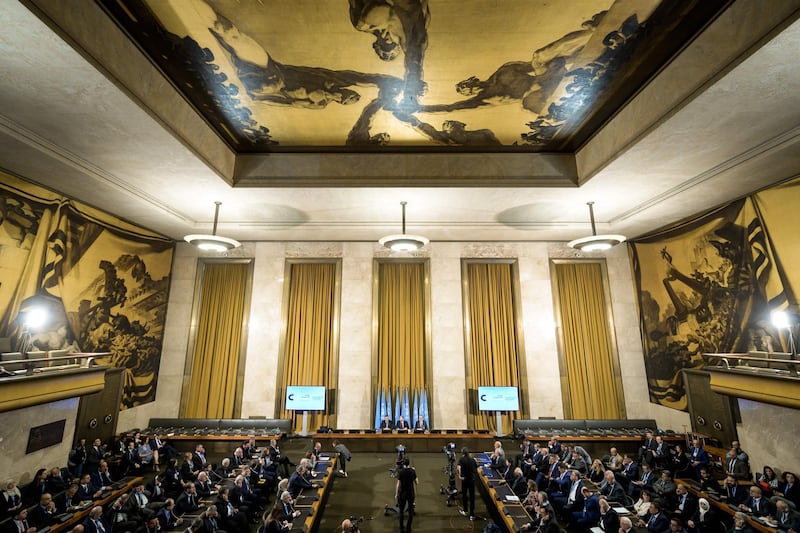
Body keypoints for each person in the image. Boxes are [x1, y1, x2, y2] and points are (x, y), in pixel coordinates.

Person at [396, 457, 417, 533]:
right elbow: (417, 482)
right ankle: (408, 528)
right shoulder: (412, 471)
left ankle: (401, 528)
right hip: (411, 493)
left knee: (401, 511)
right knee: (410, 511)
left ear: (403, 464)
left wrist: (396, 493)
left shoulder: (401, 472)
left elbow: (398, 485)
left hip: (403, 494)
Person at [457, 447, 477, 520]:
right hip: (472, 480)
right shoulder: (472, 459)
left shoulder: (461, 459)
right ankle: (472, 514)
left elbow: (459, 468)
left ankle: (465, 510)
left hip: (465, 480)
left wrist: (459, 475)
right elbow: (476, 468)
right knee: (472, 497)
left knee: (464, 495)